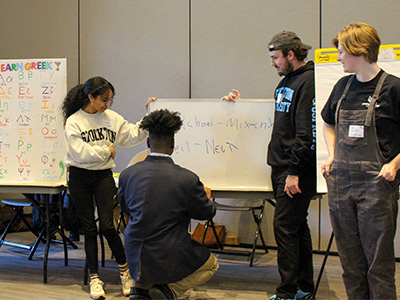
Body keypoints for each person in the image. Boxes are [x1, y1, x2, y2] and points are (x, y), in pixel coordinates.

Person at [222, 31, 316, 300]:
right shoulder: (287, 81)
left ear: (291, 54)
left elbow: (306, 134)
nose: (272, 63)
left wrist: (294, 172)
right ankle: (303, 288)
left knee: (286, 229)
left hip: (294, 170)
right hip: (282, 167)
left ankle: (288, 292)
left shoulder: (307, 82)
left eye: (276, 58)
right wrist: (237, 107)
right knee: (297, 227)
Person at [321, 22, 400, 300]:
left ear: (360, 51)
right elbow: (328, 124)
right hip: (341, 184)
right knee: (350, 264)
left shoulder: (393, 88)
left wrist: (395, 164)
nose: (339, 57)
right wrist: (332, 155)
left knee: (378, 265)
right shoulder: (343, 86)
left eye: (342, 51)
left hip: (376, 186)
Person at [118, 109, 219, 300]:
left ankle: (139, 287)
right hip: (169, 253)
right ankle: (168, 291)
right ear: (173, 144)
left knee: (149, 242)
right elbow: (207, 213)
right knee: (211, 263)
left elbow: (125, 211)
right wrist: (207, 197)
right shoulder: (187, 179)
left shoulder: (127, 175)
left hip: (133, 251)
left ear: (148, 142)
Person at [62, 76, 148, 299]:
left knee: (108, 227)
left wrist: (149, 116)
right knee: (88, 229)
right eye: (103, 100)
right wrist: (106, 151)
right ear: (90, 98)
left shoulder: (112, 118)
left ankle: (125, 273)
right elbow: (80, 153)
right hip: (79, 177)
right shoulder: (74, 121)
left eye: (110, 99)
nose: (107, 104)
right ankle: (94, 279)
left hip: (103, 176)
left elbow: (132, 135)